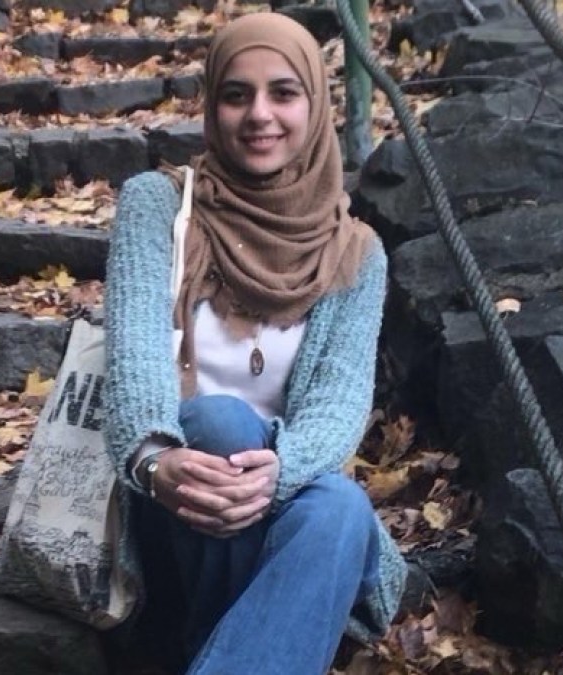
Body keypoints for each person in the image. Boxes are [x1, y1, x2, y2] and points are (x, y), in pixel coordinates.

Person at [101, 12, 406, 675]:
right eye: (236, 95)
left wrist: (274, 475)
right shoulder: (157, 207)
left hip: (289, 512)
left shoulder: (357, 254)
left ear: (315, 105)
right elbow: (134, 361)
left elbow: (337, 409)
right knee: (219, 421)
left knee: (341, 505)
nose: (259, 114)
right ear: (212, 106)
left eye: (283, 93)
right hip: (171, 509)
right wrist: (155, 461)